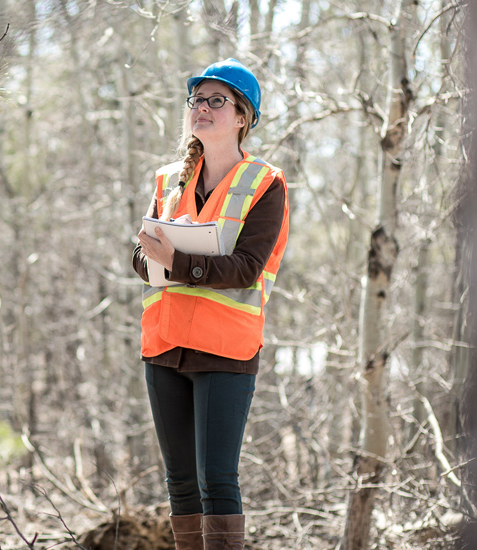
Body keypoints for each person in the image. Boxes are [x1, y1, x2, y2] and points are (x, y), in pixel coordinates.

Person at [132, 58, 289, 550]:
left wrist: (175, 260)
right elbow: (141, 253)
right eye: (196, 100)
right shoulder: (168, 180)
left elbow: (246, 269)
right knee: (179, 485)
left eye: (215, 100)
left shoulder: (266, 184)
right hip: (164, 345)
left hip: (225, 350)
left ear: (242, 116)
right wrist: (150, 258)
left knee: (216, 482)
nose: (201, 108)